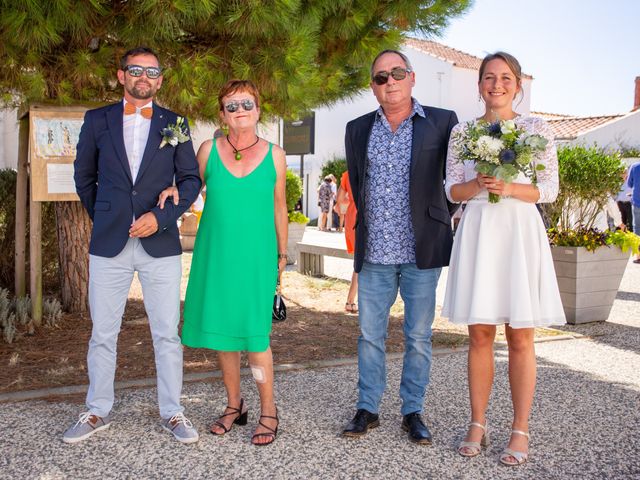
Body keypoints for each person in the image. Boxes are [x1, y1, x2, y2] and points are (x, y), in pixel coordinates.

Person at [67, 46, 202, 444]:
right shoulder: (97, 120)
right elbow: (83, 176)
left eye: (152, 71)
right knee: (103, 333)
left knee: (166, 333)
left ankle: (173, 412)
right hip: (109, 242)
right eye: (136, 69)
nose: (144, 76)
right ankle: (96, 411)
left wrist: (160, 218)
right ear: (122, 74)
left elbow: (191, 180)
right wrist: (109, 216)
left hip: (160, 244)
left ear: (160, 79)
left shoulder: (176, 123)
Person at [442, 51, 566, 466]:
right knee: (479, 334)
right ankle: (477, 422)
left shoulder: (536, 127)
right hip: (479, 229)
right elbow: (451, 191)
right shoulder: (462, 132)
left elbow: (548, 188)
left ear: (518, 85)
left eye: (506, 77)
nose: (497, 84)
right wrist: (478, 182)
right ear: (479, 85)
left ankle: (520, 427)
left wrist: (510, 187)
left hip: (518, 231)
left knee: (520, 335)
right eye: (489, 77)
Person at [161, 79, 288, 446]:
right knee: (224, 334)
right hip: (216, 255)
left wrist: (282, 256)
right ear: (222, 114)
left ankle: (269, 411)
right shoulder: (208, 150)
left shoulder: (275, 154)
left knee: (255, 335)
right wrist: (173, 189)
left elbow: (280, 207)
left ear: (258, 109)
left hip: (257, 257)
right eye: (231, 106)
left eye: (246, 103)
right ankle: (235, 405)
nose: (240, 111)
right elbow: (189, 189)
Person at [342, 49, 458, 444]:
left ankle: (413, 411)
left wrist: (438, 217)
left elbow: (453, 182)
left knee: (418, 336)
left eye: (396, 73)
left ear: (411, 78)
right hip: (374, 252)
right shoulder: (357, 129)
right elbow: (358, 184)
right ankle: (368, 408)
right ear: (373, 87)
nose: (389, 82)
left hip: (420, 252)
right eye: (380, 77)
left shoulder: (442, 122)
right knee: (370, 335)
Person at [334, 170, 358, 312]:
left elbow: (340, 202)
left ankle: (350, 301)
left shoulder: (347, 175)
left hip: (352, 219)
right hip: (368, 218)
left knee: (359, 261)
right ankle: (350, 301)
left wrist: (351, 200)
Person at [628, 160, 640, 263]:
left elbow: (629, 184)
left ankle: (638, 256)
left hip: (637, 202)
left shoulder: (635, 166)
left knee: (637, 228)